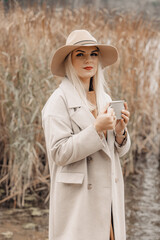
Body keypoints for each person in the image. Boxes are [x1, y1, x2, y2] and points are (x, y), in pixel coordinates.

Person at [42, 29, 131, 240]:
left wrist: (120, 133)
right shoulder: (58, 101)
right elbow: (59, 153)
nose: (88, 60)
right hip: (79, 203)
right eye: (80, 54)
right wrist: (96, 129)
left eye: (93, 54)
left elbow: (116, 151)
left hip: (107, 200)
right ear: (69, 61)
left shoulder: (104, 97)